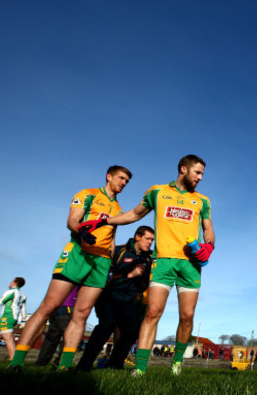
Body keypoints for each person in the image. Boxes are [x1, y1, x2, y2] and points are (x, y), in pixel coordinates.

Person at [8, 165, 131, 371]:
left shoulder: (118, 209)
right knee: (49, 305)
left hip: (100, 262)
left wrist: (110, 261)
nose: (123, 183)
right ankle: (16, 361)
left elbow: (112, 237)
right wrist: (81, 231)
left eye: (127, 181)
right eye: (121, 178)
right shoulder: (88, 194)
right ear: (109, 176)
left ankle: (64, 366)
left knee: (82, 313)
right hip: (78, 253)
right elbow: (72, 220)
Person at [101, 155, 215, 377]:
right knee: (152, 312)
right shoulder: (157, 192)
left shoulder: (203, 200)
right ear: (184, 169)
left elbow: (208, 229)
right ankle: (140, 368)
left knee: (187, 316)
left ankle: (177, 363)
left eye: (202, 174)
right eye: (197, 173)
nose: (200, 178)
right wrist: (107, 221)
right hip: (162, 261)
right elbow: (135, 214)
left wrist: (209, 246)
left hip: (190, 265)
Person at [76, 226, 155, 371]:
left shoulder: (148, 259)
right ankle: (84, 365)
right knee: (107, 325)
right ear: (137, 237)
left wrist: (141, 284)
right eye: (148, 239)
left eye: (152, 240)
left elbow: (143, 285)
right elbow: (107, 276)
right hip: (109, 296)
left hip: (128, 300)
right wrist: (129, 275)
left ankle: (114, 365)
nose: (150, 242)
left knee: (132, 330)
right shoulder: (119, 251)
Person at [34, 287, 78, 366]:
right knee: (68, 336)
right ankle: (61, 363)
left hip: (56, 305)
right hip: (68, 305)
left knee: (52, 336)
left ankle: (41, 362)